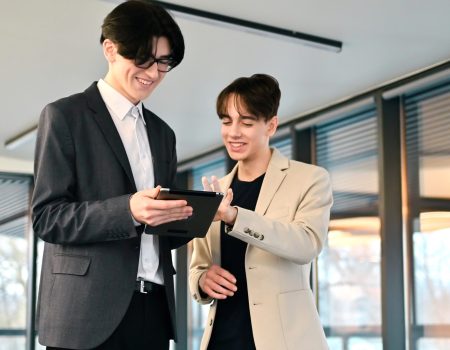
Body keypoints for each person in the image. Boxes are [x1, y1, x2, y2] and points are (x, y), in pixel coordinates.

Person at [31, 1, 192, 349]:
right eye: (144, 60)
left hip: (153, 311)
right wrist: (128, 210)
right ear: (110, 49)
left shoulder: (164, 134)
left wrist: (191, 216)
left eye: (164, 63)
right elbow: (47, 218)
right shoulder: (65, 116)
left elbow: (158, 233)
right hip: (84, 314)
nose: (153, 73)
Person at [189, 74, 333, 349]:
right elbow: (199, 266)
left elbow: (306, 245)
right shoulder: (214, 190)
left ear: (271, 125)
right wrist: (203, 280)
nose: (233, 132)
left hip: (283, 341)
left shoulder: (310, 179)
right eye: (226, 121)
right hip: (222, 339)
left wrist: (235, 217)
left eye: (246, 122)